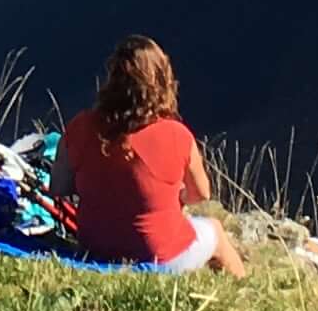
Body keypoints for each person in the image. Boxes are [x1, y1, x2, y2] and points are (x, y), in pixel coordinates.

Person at [53, 34, 240, 273]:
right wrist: (176, 197)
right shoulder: (178, 135)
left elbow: (58, 187)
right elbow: (201, 193)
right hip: (157, 257)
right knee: (215, 230)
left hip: (94, 249)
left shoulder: (80, 127)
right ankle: (246, 288)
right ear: (162, 80)